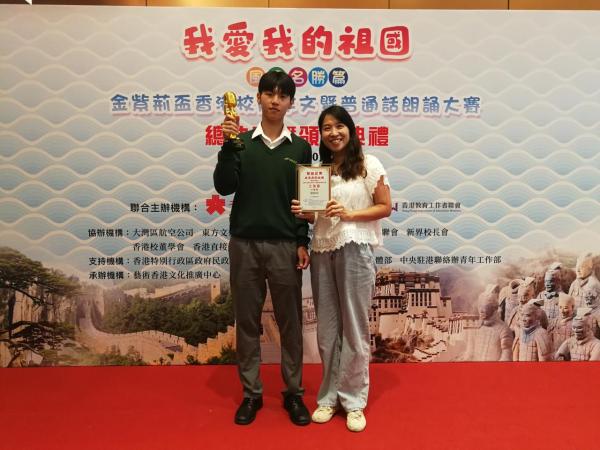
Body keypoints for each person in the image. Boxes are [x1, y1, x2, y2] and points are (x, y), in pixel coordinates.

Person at [213, 70, 312, 426]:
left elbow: (304, 200)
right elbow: (224, 186)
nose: (275, 100)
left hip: (285, 245)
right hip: (245, 245)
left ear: (290, 103)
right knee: (247, 322)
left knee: (291, 323)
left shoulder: (300, 148)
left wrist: (302, 241)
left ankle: (294, 393)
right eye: (269, 94)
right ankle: (251, 394)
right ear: (258, 98)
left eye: (282, 95)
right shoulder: (240, 142)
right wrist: (227, 146)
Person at [292, 105, 392, 432]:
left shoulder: (367, 164)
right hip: (323, 249)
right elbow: (318, 215)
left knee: (354, 327)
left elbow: (385, 207)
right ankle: (328, 397)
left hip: (355, 248)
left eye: (339, 126)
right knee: (327, 329)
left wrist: (349, 214)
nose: (333, 133)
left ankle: (354, 401)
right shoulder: (319, 171)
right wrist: (306, 212)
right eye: (326, 128)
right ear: (320, 134)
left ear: (350, 129)